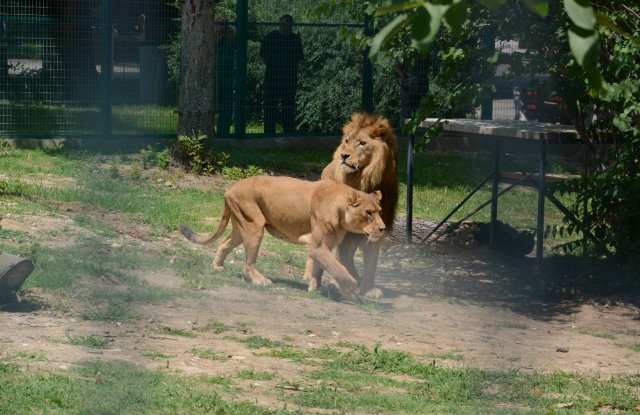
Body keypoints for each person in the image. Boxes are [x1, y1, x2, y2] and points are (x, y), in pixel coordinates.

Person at [259, 14, 304, 134]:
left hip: (289, 80)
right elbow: (262, 57)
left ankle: (288, 134)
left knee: (288, 108)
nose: (286, 27)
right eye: (284, 24)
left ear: (291, 26)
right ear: (280, 24)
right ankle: (268, 135)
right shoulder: (270, 37)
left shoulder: (295, 39)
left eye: (288, 25)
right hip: (272, 79)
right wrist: (273, 67)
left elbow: (300, 58)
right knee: (270, 108)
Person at [214, 16, 235, 137]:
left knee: (226, 107)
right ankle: (208, 133)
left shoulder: (231, 36)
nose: (223, 26)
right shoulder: (211, 35)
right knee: (210, 107)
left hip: (227, 76)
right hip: (213, 77)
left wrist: (229, 37)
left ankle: (223, 133)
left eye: (226, 24)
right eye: (221, 24)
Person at [394, 55, 430, 121]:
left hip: (409, 84)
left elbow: (397, 67)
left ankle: (406, 129)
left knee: (406, 114)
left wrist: (405, 77)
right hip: (421, 84)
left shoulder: (404, 50)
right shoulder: (424, 51)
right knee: (420, 112)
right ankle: (418, 130)